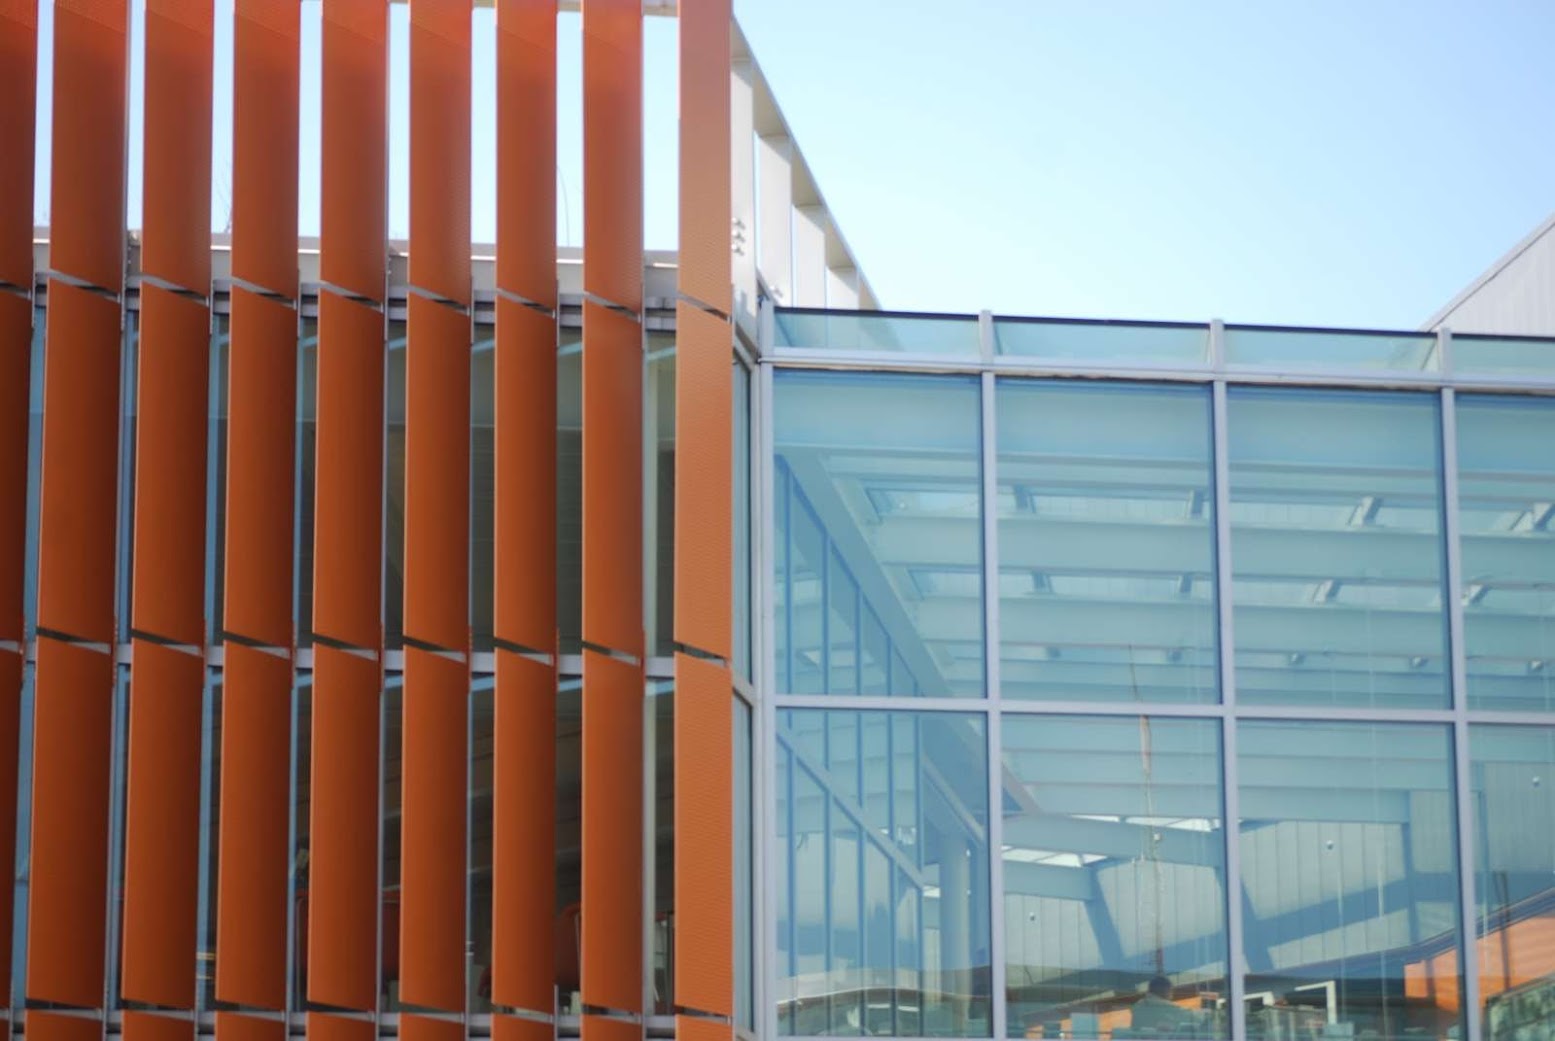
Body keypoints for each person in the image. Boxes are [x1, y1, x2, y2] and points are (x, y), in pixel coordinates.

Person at [1130, 975, 1203, 1037]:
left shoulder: (1139, 1008)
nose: (1171, 996)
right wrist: (1208, 1016)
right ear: (1166, 991)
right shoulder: (1165, 1008)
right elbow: (1193, 1017)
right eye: (1171, 991)